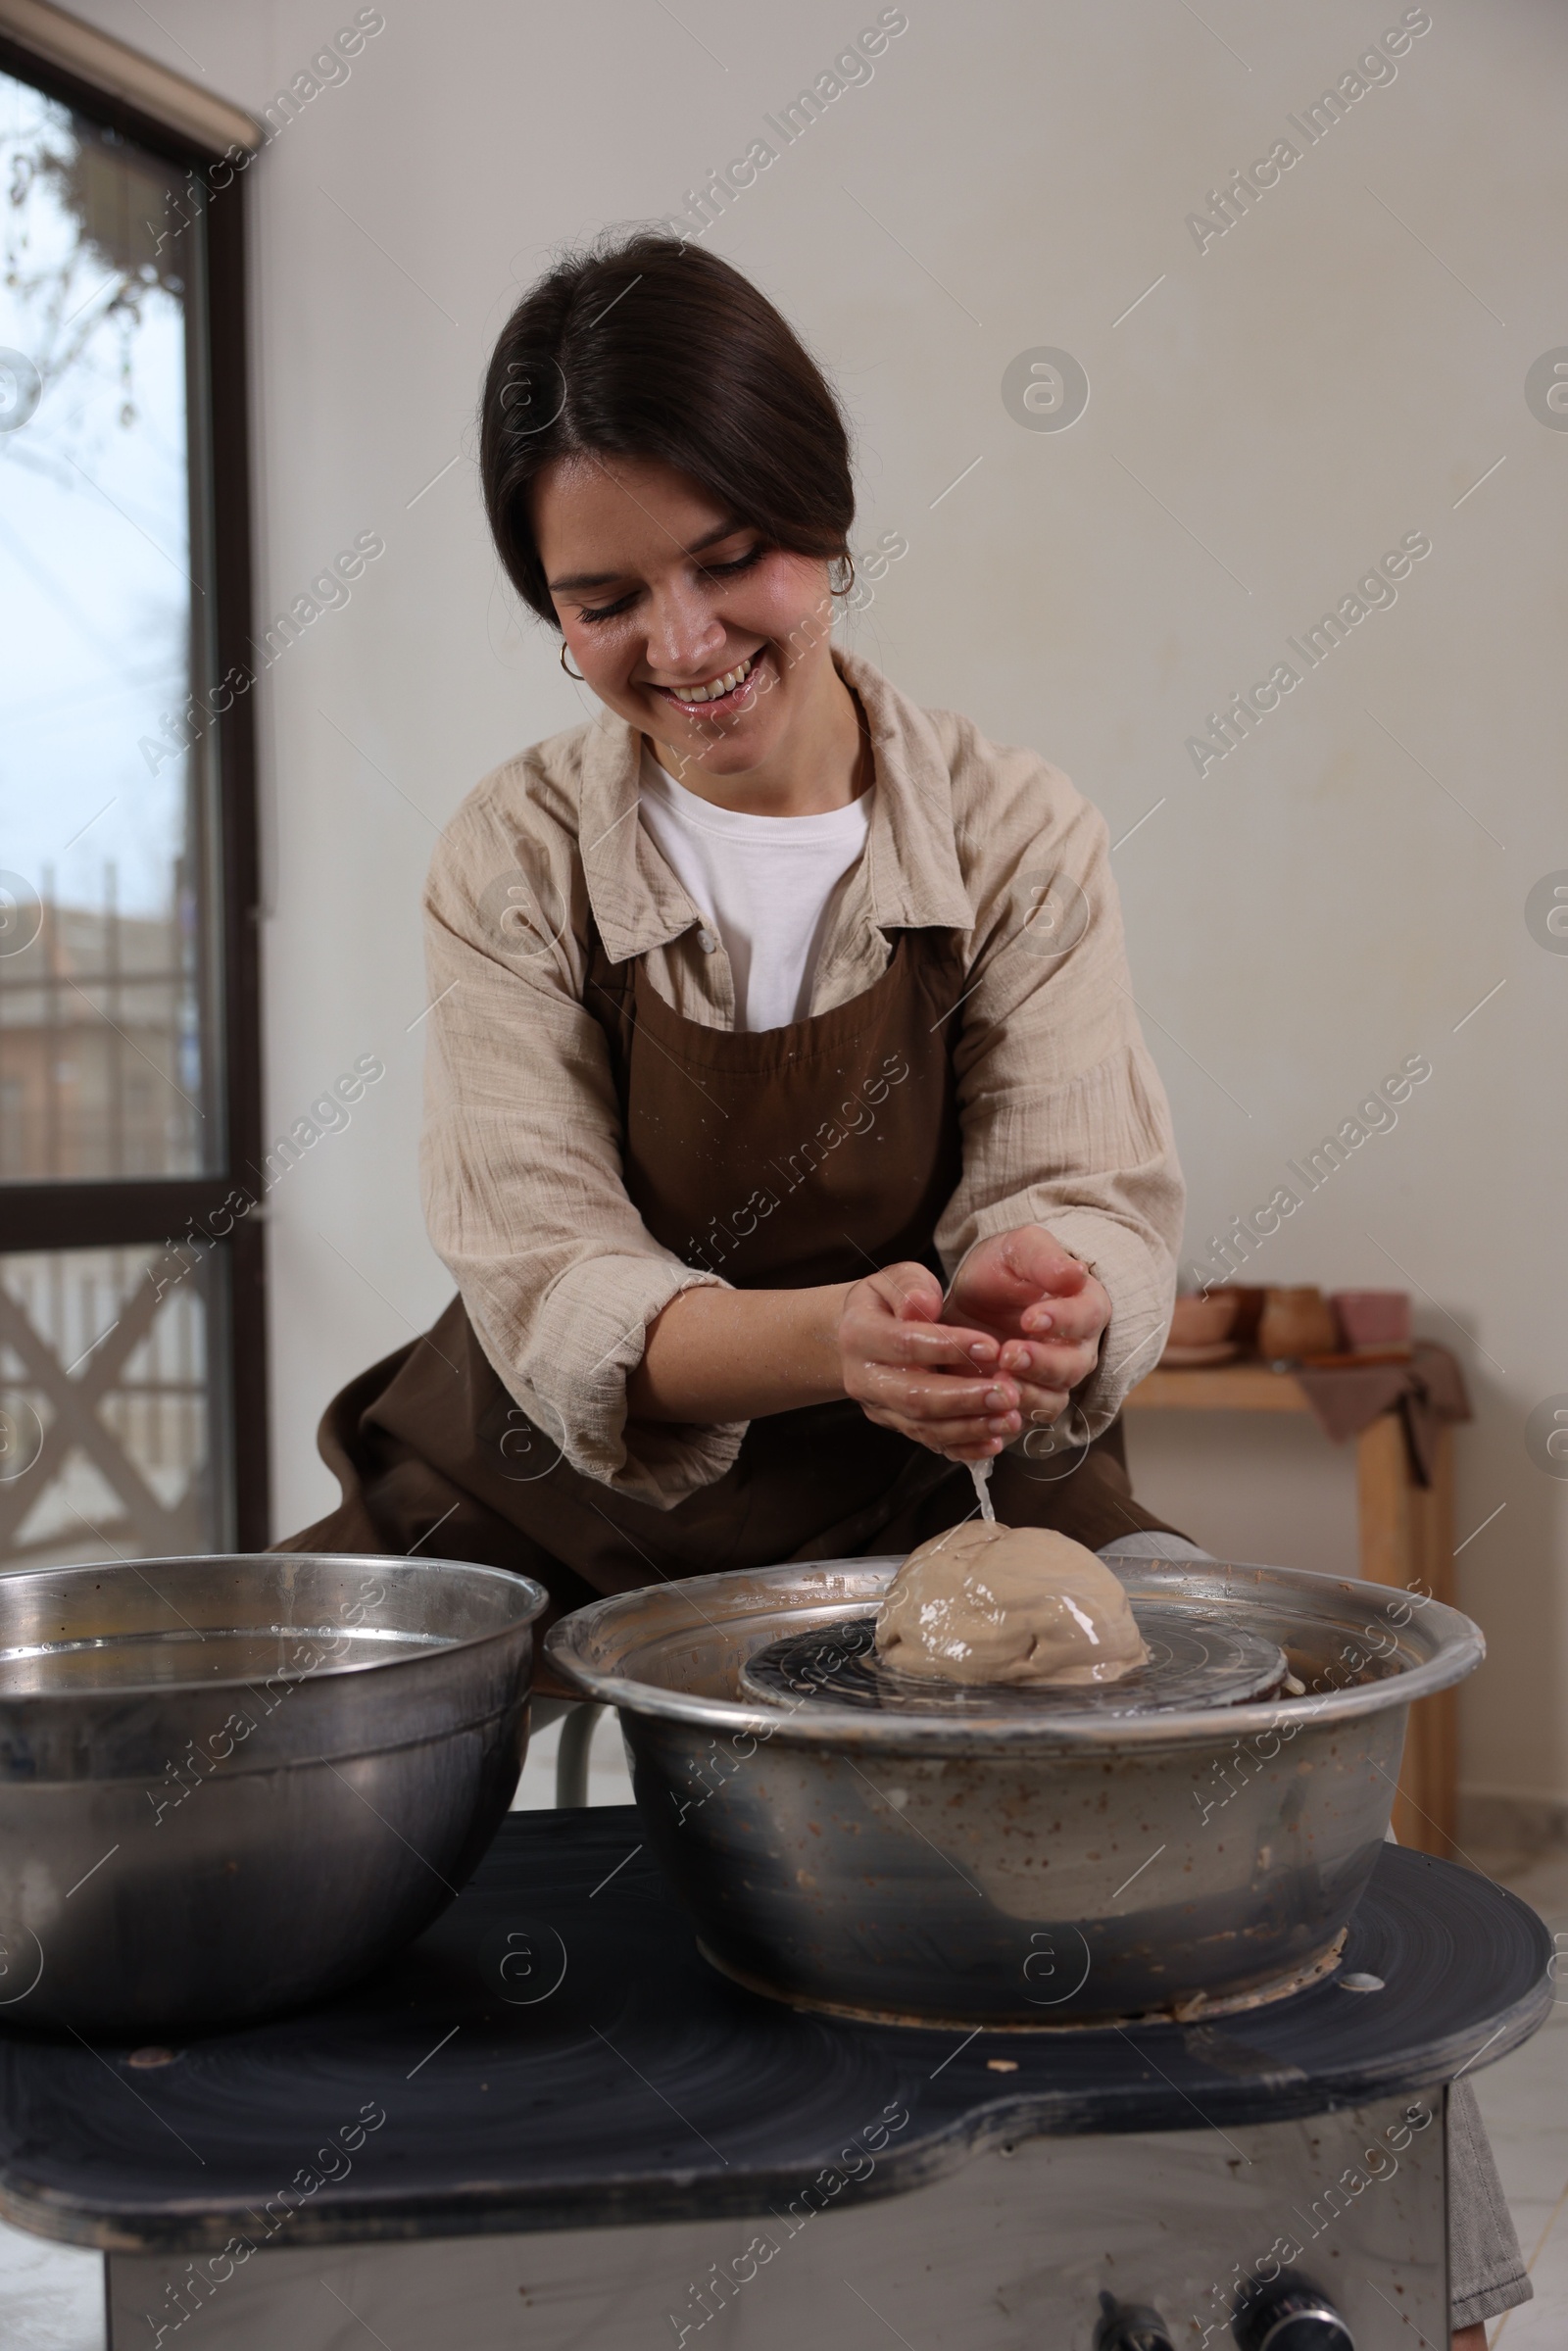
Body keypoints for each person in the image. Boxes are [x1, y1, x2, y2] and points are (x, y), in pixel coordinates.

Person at [278, 232, 1527, 2346]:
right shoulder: (512, 861)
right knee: (261, 1836)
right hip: (528, 1477)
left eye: (729, 557)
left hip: (936, 1489)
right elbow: (543, 1261)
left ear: (825, 527)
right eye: (601, 601)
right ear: (549, 614)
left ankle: (1355, 2274)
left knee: (1232, 1823)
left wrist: (1042, 1297)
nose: (677, 641)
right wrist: (815, 1336)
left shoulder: (1016, 835)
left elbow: (1084, 1186)